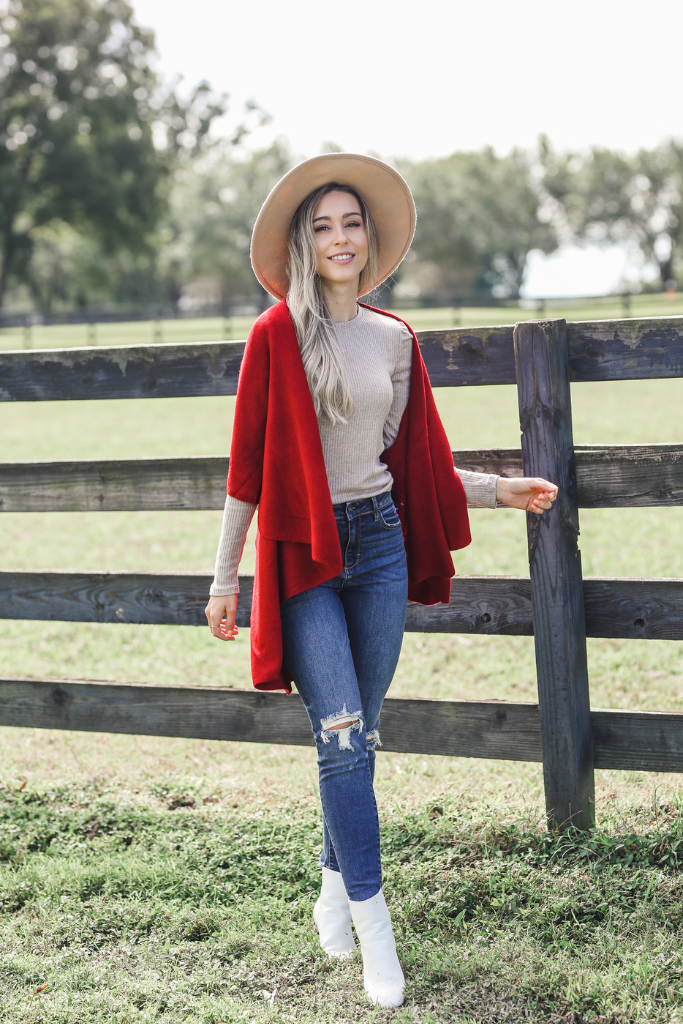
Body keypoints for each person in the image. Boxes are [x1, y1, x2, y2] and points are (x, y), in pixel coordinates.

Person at [205, 154, 558, 1009]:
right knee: (338, 733)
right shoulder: (271, 336)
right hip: (305, 560)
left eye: (350, 224)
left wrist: (495, 488)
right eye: (321, 225)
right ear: (302, 241)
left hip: (379, 549)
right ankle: (374, 925)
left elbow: (415, 462)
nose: (338, 238)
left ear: (369, 241)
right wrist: (223, 580)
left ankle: (333, 885)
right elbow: (245, 472)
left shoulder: (393, 338)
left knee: (360, 738)